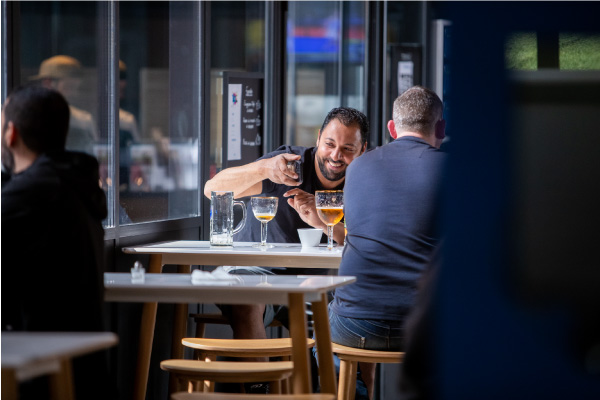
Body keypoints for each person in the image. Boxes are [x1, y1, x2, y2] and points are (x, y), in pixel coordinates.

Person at [203, 106, 369, 346]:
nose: (335, 155)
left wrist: (323, 222)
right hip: (257, 272)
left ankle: (335, 384)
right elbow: (212, 190)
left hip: (322, 283)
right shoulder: (288, 165)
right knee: (246, 300)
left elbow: (366, 243)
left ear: (362, 150)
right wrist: (265, 168)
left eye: (347, 149)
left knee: (361, 309)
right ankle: (260, 385)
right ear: (318, 138)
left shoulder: (365, 180)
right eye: (329, 144)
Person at [328, 86, 447, 399]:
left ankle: (355, 392)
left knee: (326, 332)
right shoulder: (453, 171)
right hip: (424, 327)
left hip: (355, 324)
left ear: (392, 129)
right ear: (441, 129)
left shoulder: (357, 168)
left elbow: (355, 231)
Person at [1, 86, 112, 399]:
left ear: (11, 133)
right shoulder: (73, 183)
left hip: (41, 374)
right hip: (84, 371)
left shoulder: (34, 193)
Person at [29, 55, 98, 154]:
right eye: (70, 86)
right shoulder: (29, 117)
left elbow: (95, 153)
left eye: (75, 86)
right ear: (48, 83)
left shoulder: (84, 120)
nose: (75, 91)